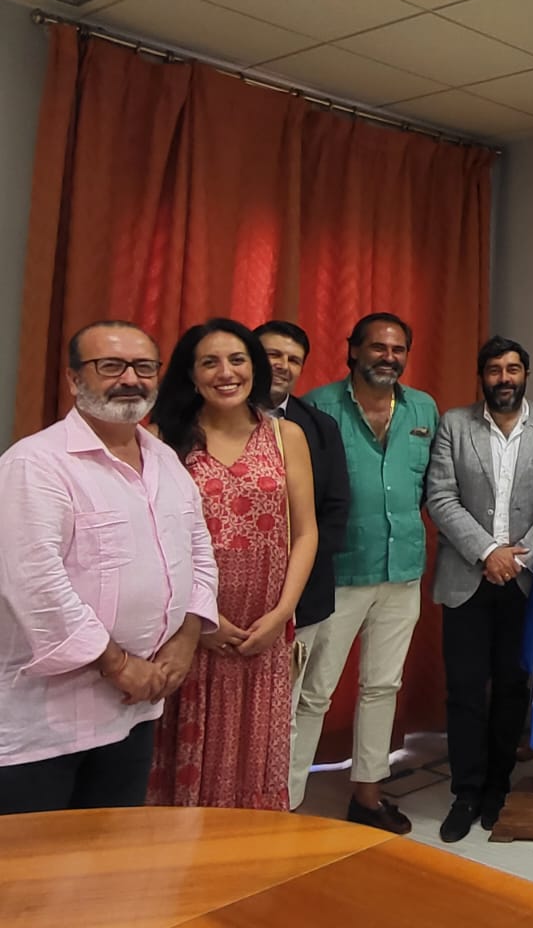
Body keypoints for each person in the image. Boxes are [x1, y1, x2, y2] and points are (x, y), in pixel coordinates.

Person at [0, 321, 218, 814]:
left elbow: (199, 552)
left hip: (135, 709)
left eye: (144, 367)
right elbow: (33, 583)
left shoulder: (165, 459)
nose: (130, 379)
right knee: (32, 873)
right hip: (46, 725)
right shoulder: (36, 464)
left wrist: (184, 644)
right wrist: (119, 666)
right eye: (110, 366)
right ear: (75, 380)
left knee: (110, 858)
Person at [146, 319, 318, 809]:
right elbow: (152, 539)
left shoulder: (287, 437)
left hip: (263, 632)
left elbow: (305, 532)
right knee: (185, 758)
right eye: (210, 362)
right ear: (191, 374)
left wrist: (282, 614)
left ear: (255, 368)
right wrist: (200, 619)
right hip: (188, 631)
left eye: (237, 360)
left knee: (255, 759)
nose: (226, 372)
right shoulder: (162, 439)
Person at [295, 312, 439, 834]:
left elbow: (432, 486)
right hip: (338, 574)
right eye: (377, 347)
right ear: (353, 350)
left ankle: (368, 795)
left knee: (382, 686)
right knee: (313, 691)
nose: (388, 357)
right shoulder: (316, 407)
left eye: (398, 349)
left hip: (402, 572)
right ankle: (284, 802)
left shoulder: (423, 408)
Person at [426, 336, 533, 842]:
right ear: (481, 376)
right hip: (467, 578)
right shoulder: (455, 425)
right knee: (463, 693)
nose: (505, 378)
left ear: (526, 373)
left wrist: (519, 553)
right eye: (495, 370)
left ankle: (499, 788)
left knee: (509, 689)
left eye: (514, 369)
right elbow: (440, 496)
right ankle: (466, 790)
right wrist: (487, 552)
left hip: (524, 578)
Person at [255, 320, 351, 810]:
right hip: (220, 604)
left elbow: (335, 510)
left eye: (293, 359)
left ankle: (285, 807)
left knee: (289, 712)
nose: (282, 366)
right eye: (272, 354)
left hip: (302, 598)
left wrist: (291, 581)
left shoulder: (318, 427)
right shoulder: (201, 421)